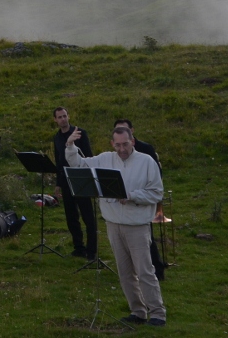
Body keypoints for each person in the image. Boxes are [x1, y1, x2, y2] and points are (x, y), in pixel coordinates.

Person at [66, 125, 166, 327]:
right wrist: (70, 145)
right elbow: (79, 164)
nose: (121, 149)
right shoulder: (105, 158)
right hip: (113, 224)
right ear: (112, 144)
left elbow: (157, 193)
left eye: (125, 144)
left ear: (133, 141)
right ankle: (138, 312)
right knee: (125, 272)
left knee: (144, 271)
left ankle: (157, 313)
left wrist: (131, 196)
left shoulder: (147, 162)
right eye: (117, 145)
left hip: (137, 226)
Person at [114, 118, 166, 281]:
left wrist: (137, 194)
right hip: (122, 208)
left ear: (132, 132)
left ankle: (157, 270)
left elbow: (156, 175)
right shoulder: (117, 153)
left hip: (142, 201)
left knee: (147, 239)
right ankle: (133, 270)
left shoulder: (145, 149)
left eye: (124, 129)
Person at [51, 107, 97, 260]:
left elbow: (89, 155)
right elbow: (58, 161)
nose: (63, 119)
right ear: (55, 120)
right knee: (71, 216)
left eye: (65, 116)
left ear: (68, 116)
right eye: (60, 117)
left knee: (87, 215)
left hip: (80, 178)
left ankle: (92, 250)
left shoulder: (79, 133)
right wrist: (58, 183)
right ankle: (79, 247)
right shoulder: (57, 138)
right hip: (65, 179)